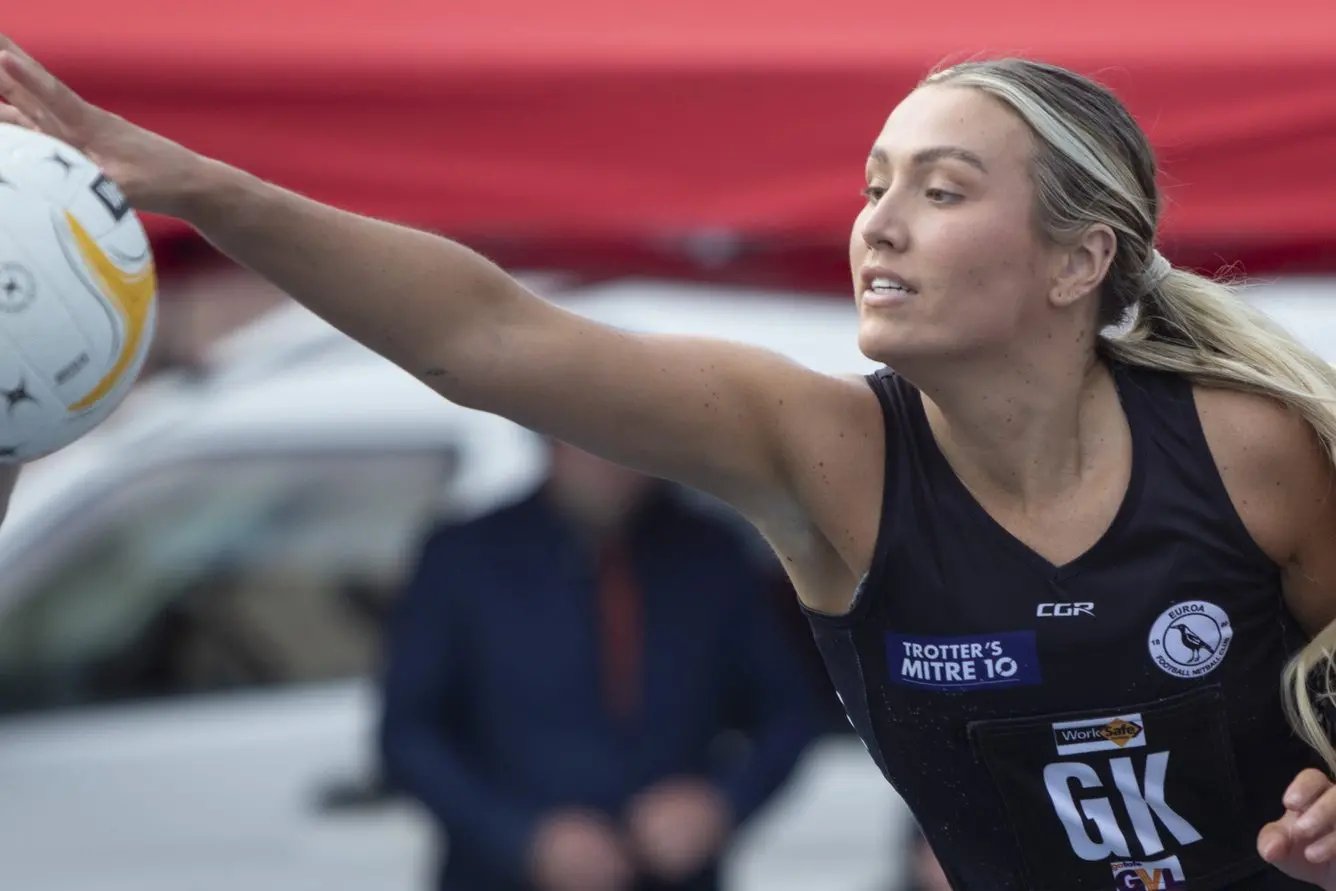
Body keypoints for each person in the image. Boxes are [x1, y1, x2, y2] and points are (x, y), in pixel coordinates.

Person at [6, 37, 1336, 888]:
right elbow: (485, 336)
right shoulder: (829, 454)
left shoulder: (1250, 450)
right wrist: (203, 190)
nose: (878, 224)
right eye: (874, 183)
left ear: (1078, 258)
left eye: (940, 190)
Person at [378, 439, 820, 891]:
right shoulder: (463, 556)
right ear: (549, 435)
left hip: (670, 874)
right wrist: (519, 838)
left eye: (629, 434)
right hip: (500, 875)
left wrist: (719, 803)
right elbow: (408, 733)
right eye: (588, 436)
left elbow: (788, 709)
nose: (612, 459)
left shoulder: (712, 555)